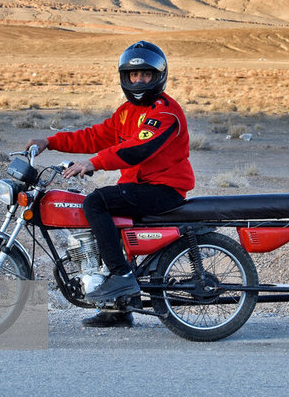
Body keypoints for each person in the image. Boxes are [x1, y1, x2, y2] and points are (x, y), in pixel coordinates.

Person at [26, 41, 194, 328]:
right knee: (102, 216)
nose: (139, 80)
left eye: (145, 75)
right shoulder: (126, 112)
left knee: (97, 202)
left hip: (164, 189)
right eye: (133, 75)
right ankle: (117, 309)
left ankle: (122, 277)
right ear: (124, 78)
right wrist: (50, 142)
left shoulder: (165, 113)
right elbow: (94, 136)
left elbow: (136, 150)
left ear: (158, 76)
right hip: (140, 186)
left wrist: (93, 163)